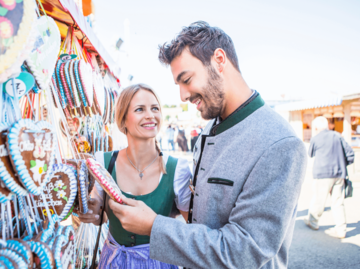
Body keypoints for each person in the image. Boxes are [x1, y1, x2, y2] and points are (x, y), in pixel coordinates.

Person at [107, 21, 307, 268]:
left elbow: (244, 251)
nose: (182, 96)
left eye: (187, 79)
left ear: (219, 60)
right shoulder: (207, 130)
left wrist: (153, 225)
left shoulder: (278, 143)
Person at [76, 84, 192, 268]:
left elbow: (192, 229)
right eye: (140, 109)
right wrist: (90, 214)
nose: (150, 115)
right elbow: (101, 217)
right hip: (114, 260)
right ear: (123, 121)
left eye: (155, 108)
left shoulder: (178, 169)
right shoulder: (103, 162)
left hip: (160, 262)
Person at [304, 116, 354, 239]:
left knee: (319, 200)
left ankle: (313, 222)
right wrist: (343, 164)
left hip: (322, 174)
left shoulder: (315, 139)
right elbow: (350, 154)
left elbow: (310, 154)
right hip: (339, 173)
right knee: (338, 202)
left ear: (315, 128)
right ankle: (341, 229)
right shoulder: (337, 136)